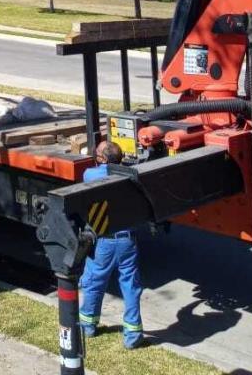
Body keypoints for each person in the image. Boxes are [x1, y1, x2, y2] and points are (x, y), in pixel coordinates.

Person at [79, 141, 144, 349]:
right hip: (127, 240)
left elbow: (89, 174)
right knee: (131, 286)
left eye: (97, 152)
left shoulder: (91, 175)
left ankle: (88, 326)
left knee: (94, 281)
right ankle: (132, 336)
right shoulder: (130, 175)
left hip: (105, 241)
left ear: (103, 159)